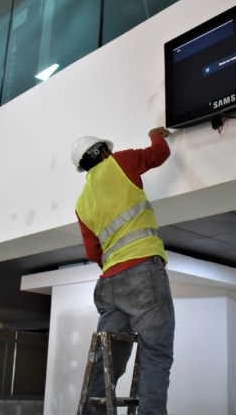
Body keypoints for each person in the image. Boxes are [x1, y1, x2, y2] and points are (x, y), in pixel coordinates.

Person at [71, 127, 175, 415]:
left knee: (107, 363)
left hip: (109, 283)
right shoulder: (122, 162)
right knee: (156, 355)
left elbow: (93, 252)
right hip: (143, 270)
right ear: (104, 151)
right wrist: (157, 134)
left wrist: (115, 265)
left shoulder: (82, 203)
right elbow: (160, 153)